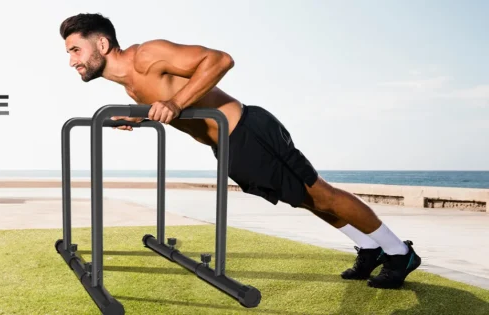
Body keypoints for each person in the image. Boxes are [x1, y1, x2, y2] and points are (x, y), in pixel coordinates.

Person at [59, 13, 420, 289]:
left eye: (76, 50)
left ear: (102, 44)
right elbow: (171, 105)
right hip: (229, 148)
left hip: (249, 131)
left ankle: (399, 253)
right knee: (305, 200)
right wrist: (141, 117)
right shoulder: (130, 89)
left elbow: (220, 60)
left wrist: (175, 103)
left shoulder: (147, 55)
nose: (72, 60)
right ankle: (369, 247)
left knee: (321, 194)